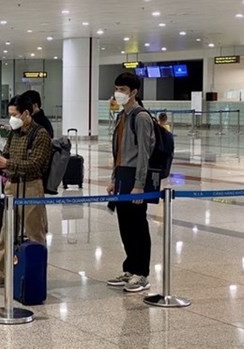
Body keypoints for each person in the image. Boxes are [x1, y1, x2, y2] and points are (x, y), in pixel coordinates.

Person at [0, 94, 51, 287]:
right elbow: (7, 154)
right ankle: (0, 273)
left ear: (26, 113)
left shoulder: (40, 134)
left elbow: (36, 165)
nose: (11, 118)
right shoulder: (13, 132)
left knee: (35, 233)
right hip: (12, 184)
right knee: (6, 232)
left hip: (32, 186)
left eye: (14, 114)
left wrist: (7, 162)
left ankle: (36, 274)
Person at [106, 72, 155, 293]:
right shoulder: (122, 116)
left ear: (134, 92)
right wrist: (113, 179)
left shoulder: (141, 117)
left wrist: (139, 185)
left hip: (136, 177)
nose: (118, 93)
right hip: (122, 175)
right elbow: (118, 151)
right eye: (117, 89)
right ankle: (130, 268)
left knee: (138, 225)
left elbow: (144, 154)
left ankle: (142, 273)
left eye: (123, 90)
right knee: (125, 224)